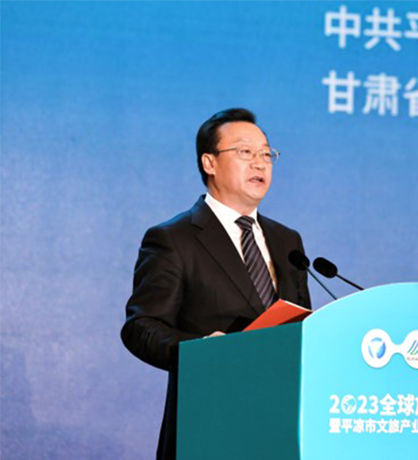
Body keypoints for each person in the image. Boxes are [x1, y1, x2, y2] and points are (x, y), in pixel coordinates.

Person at [121, 108, 311, 460]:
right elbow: (141, 327)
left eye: (266, 153)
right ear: (209, 162)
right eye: (245, 152)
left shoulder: (288, 241)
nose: (260, 163)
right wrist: (202, 352)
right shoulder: (174, 238)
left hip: (282, 425)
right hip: (208, 421)